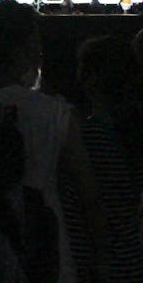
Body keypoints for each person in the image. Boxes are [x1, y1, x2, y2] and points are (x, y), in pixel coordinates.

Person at [0, 0, 108, 283]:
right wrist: (100, 261)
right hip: (49, 255)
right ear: (26, 49)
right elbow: (89, 195)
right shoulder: (56, 113)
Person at [66, 35, 143, 282]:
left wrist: (99, 262)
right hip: (133, 255)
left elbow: (93, 203)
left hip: (102, 262)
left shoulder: (87, 134)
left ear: (91, 78)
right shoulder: (133, 127)